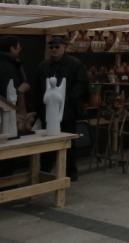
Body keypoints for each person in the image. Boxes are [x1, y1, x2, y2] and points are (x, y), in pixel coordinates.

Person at [36, 36, 88, 181]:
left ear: (65, 47)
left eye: (57, 47)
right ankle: (45, 170)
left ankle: (70, 171)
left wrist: (70, 101)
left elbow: (81, 84)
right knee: (47, 141)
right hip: (48, 110)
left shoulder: (75, 64)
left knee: (68, 142)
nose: (54, 50)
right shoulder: (43, 66)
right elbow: (38, 88)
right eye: (51, 47)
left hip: (68, 111)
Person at [0, 35, 32, 178]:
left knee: (1, 149)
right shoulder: (9, 68)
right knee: (6, 149)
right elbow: (10, 93)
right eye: (18, 48)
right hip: (6, 114)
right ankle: (4, 182)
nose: (20, 50)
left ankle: (2, 180)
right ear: (12, 49)